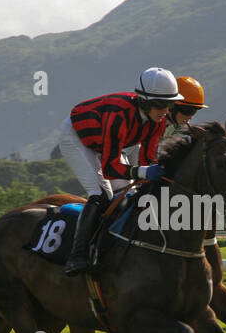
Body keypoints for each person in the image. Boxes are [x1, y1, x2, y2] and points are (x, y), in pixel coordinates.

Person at [59, 67, 182, 276]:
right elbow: (109, 168)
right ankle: (77, 256)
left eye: (169, 104)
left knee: (129, 196)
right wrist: (144, 173)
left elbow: (146, 160)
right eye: (160, 104)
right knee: (101, 195)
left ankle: (114, 247)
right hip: (77, 139)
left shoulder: (157, 122)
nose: (165, 111)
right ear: (144, 101)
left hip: (104, 144)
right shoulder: (119, 115)